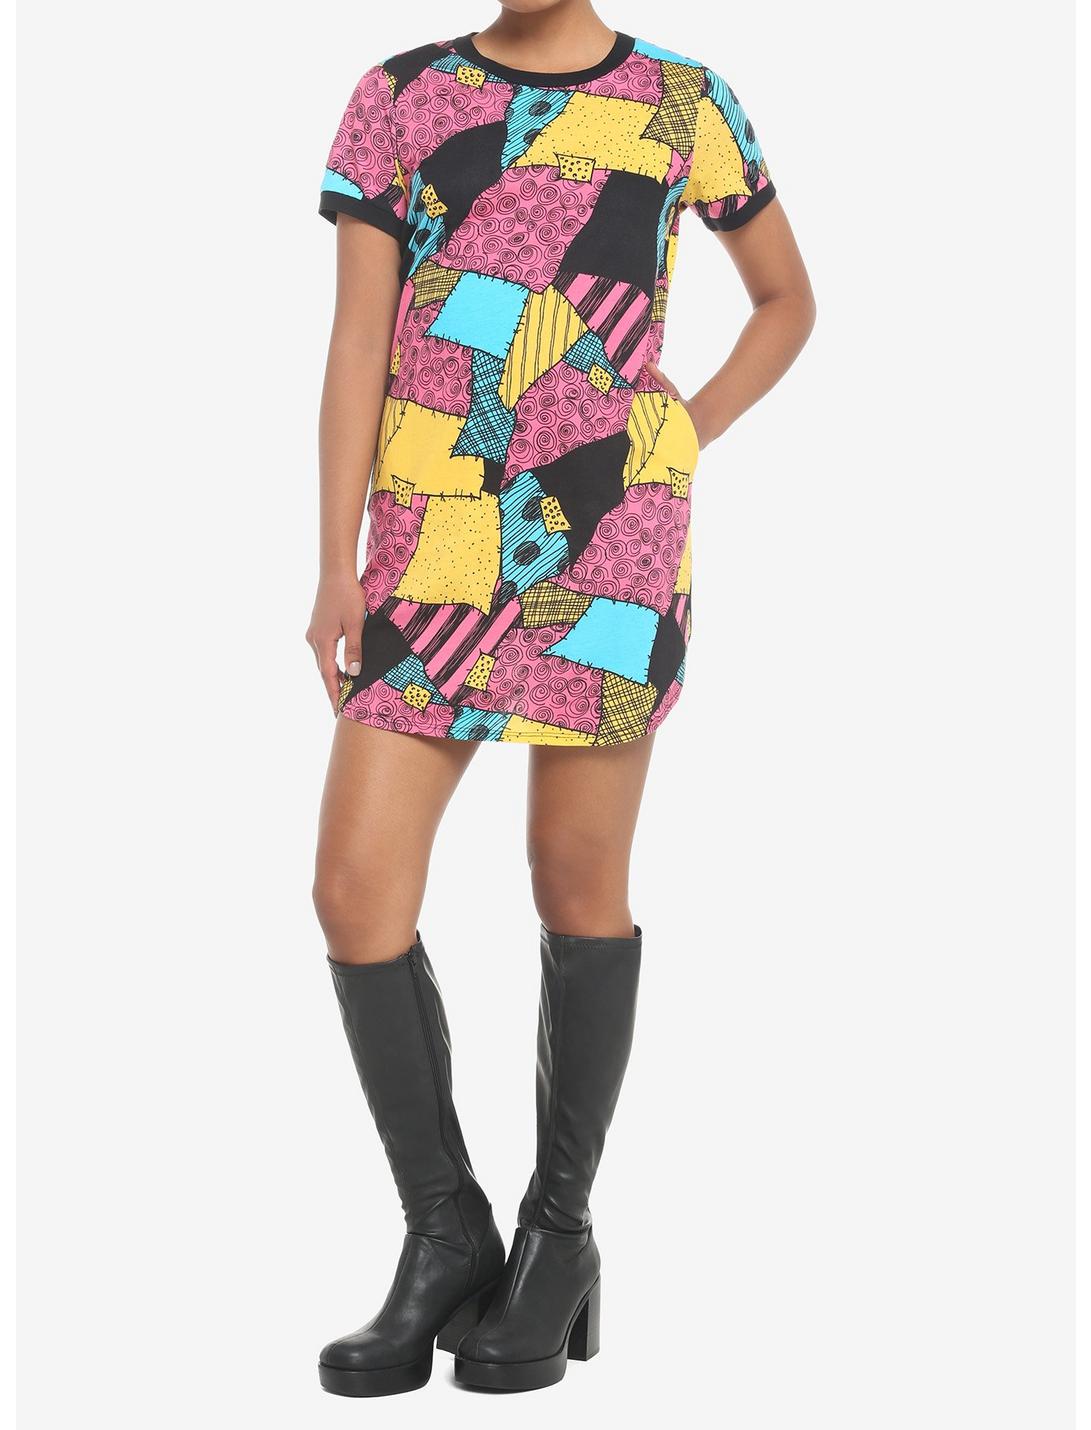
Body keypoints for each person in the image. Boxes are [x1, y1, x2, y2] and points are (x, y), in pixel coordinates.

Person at [306, 2, 815, 1397]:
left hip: (610, 540)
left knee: (574, 881)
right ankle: (445, 1230)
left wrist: (683, 432)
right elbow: (357, 343)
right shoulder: (400, 95)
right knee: (354, 889)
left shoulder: (684, 100)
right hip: (428, 540)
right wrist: (337, 561)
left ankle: (557, 1238)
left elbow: (788, 300)